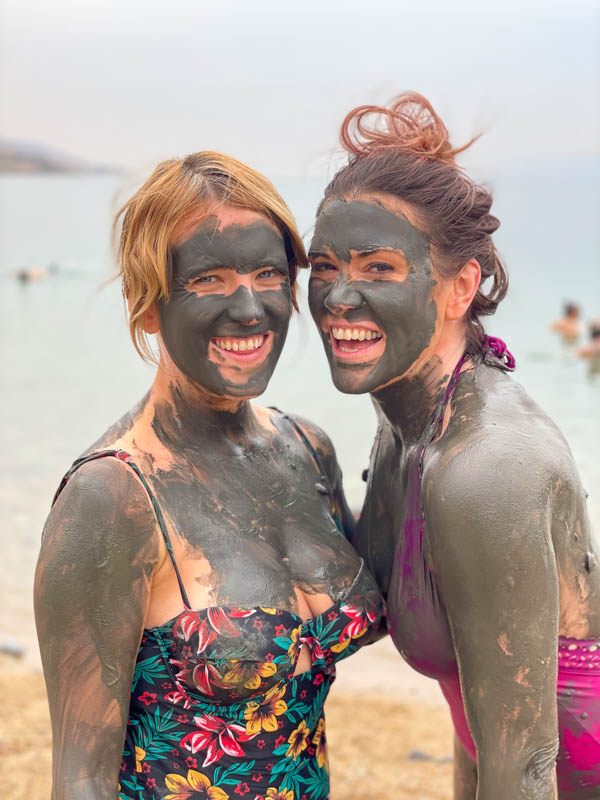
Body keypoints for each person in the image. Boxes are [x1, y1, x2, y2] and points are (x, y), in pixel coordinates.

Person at [35, 152, 383, 800]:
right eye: (210, 279)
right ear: (147, 305)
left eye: (268, 275)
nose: (250, 309)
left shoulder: (308, 451)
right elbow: (80, 779)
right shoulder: (112, 498)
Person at [307, 94, 600, 799]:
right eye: (323, 266)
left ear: (460, 286)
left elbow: (526, 763)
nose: (339, 297)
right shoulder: (408, 423)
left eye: (379, 268)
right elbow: (479, 717)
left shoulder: (486, 467)